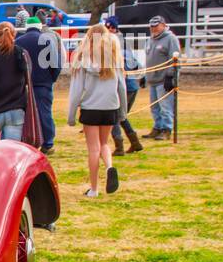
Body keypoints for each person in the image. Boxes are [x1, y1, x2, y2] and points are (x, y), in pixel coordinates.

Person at [68, 22, 128, 197]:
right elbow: (122, 87)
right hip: (110, 106)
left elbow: (76, 90)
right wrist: (122, 111)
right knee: (104, 144)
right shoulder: (114, 59)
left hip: (91, 107)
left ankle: (94, 189)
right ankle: (109, 166)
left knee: (93, 148)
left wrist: (71, 115)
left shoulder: (82, 60)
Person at [16, 16, 62, 155]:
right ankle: (48, 143)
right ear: (40, 26)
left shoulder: (18, 42)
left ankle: (28, 141)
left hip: (23, 84)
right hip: (43, 83)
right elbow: (55, 64)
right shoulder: (47, 40)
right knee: (45, 113)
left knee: (25, 114)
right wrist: (50, 79)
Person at [103, 15, 144, 156]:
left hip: (125, 85)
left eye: (109, 27)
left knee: (114, 115)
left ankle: (119, 146)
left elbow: (128, 62)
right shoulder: (119, 41)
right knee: (121, 116)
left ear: (113, 28)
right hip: (127, 85)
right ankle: (135, 142)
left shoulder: (117, 42)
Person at [142, 15, 181, 140]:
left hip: (164, 80)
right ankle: (157, 127)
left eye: (156, 26)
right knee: (154, 107)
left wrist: (171, 76)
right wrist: (144, 75)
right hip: (152, 79)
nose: (153, 29)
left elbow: (175, 59)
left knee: (165, 107)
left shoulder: (171, 39)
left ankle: (167, 129)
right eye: (151, 26)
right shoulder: (150, 40)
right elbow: (147, 59)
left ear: (163, 25)